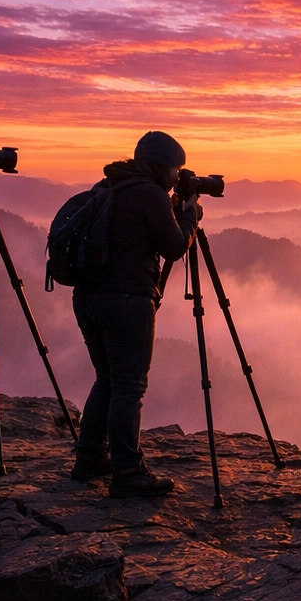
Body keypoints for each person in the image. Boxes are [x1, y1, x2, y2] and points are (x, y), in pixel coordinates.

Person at [70, 131, 201, 498]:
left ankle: (90, 457)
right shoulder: (149, 193)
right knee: (129, 387)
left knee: (108, 380)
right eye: (176, 169)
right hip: (127, 302)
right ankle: (128, 470)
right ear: (161, 166)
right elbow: (174, 247)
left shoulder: (110, 185)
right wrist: (190, 216)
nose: (177, 177)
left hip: (88, 299)